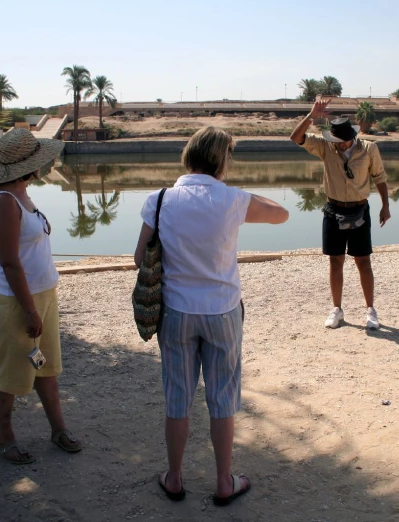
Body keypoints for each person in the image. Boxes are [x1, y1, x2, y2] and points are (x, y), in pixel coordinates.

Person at [134, 126, 289, 506]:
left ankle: (174, 477)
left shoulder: (160, 200)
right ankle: (223, 481)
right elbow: (282, 214)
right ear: (221, 160)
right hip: (222, 312)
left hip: (176, 312)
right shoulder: (232, 200)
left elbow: (140, 258)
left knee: (178, 398)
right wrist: (235, 193)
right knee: (221, 399)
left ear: (188, 156)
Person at [0, 128, 81, 464]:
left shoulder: (22, 194)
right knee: (10, 373)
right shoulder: (2, 202)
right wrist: (29, 310)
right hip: (16, 303)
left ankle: (58, 428)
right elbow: (9, 263)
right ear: (30, 165)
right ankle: (5, 439)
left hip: (43, 295)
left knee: (46, 366)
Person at [290, 97, 391, 330]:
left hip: (360, 210)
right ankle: (337, 309)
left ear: (352, 137)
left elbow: (380, 178)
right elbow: (296, 138)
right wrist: (311, 116)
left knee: (363, 261)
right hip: (333, 210)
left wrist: (386, 206)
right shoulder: (326, 147)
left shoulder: (369, 149)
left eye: (343, 142)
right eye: (336, 141)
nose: (340, 145)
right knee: (335, 262)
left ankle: (370, 310)